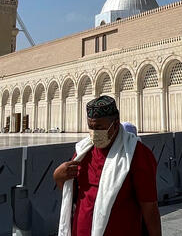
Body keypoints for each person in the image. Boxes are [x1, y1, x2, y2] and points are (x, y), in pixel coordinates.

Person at [55, 95, 161, 236]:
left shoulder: (136, 154)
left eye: (99, 127)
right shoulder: (83, 152)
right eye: (90, 127)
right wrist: (59, 177)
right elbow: (74, 196)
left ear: (115, 124)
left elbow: (149, 207)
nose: (94, 133)